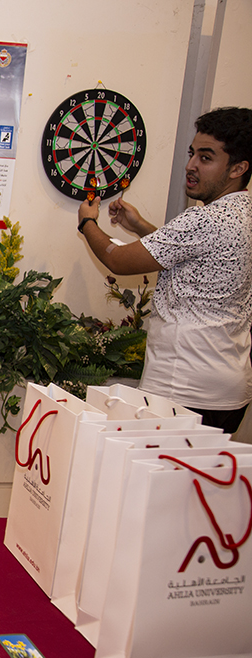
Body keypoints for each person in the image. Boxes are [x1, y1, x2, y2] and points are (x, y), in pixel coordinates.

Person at [75, 107, 252, 433]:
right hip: (228, 391)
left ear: (238, 168)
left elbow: (118, 260)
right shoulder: (243, 214)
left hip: (183, 390)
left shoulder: (205, 219)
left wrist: (87, 223)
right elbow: (195, 258)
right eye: (192, 153)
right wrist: (141, 226)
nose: (191, 165)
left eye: (206, 157)